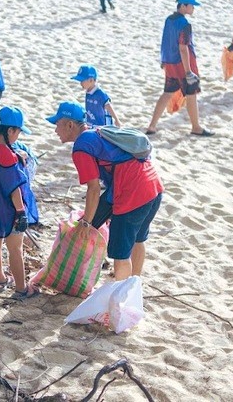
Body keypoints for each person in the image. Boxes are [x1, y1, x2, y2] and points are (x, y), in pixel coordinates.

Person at [48, 101, 164, 281]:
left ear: (70, 124)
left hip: (133, 193)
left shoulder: (81, 147)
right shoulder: (97, 131)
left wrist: (86, 223)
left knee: (120, 253)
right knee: (138, 239)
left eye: (57, 125)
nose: (55, 131)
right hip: (154, 187)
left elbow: (93, 189)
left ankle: (122, 298)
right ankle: (135, 283)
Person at [0, 106, 39, 298]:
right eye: (18, 132)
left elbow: (0, 162)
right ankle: (22, 289)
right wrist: (21, 212)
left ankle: (0, 278)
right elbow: (13, 187)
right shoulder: (6, 154)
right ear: (10, 130)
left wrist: (15, 155)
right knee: (15, 248)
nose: (18, 137)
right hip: (10, 208)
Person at [145, 0, 215, 137]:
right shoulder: (185, 24)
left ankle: (152, 126)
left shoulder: (169, 20)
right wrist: (189, 71)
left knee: (167, 93)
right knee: (191, 95)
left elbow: (165, 41)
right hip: (183, 65)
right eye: (192, 6)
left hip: (170, 63)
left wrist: (163, 61)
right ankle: (196, 127)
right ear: (183, 6)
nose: (193, 9)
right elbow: (183, 48)